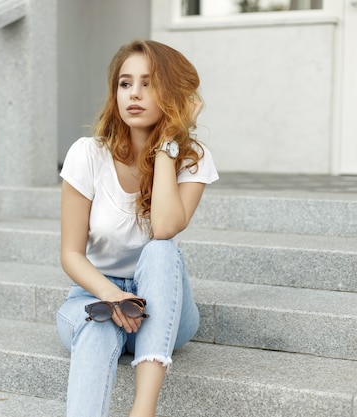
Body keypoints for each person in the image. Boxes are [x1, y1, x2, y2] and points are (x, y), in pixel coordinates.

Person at [56, 39, 219, 417]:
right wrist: (113, 297)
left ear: (174, 94)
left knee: (161, 250)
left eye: (149, 83)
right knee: (96, 325)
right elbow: (71, 254)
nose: (134, 94)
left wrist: (167, 146)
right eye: (125, 83)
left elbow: (164, 229)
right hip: (94, 294)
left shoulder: (192, 159)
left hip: (163, 308)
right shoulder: (87, 154)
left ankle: (143, 411)